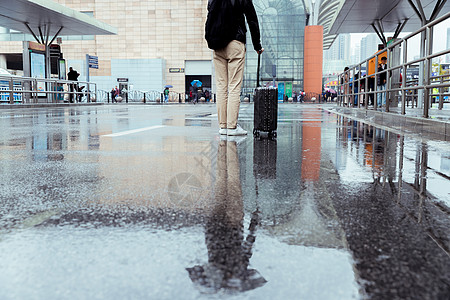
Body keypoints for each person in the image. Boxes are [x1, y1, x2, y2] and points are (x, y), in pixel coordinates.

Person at [205, 0, 264, 136]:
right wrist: (257, 45)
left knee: (221, 87)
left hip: (217, 45)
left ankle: (223, 126)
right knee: (234, 86)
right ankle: (232, 127)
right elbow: (252, 19)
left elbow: (210, 19)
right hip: (235, 43)